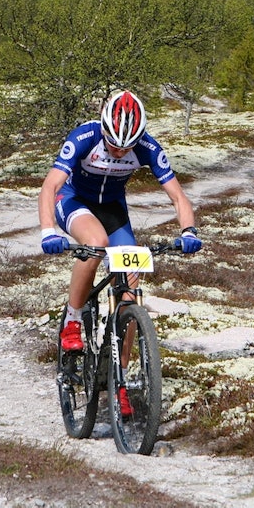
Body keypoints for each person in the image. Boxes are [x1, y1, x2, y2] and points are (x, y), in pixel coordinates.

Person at [38, 90, 202, 362]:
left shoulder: (148, 148)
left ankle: (119, 378)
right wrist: (48, 231)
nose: (119, 151)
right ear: (103, 128)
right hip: (74, 200)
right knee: (95, 242)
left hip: (113, 209)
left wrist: (188, 231)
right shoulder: (84, 137)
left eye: (127, 147)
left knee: (131, 287)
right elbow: (49, 186)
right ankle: (73, 320)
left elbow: (177, 196)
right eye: (113, 144)